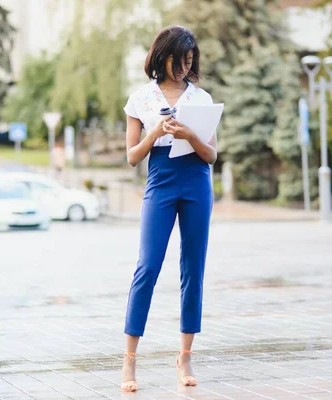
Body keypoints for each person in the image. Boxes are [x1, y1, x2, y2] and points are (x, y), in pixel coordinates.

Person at [120, 26, 218, 392]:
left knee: (193, 267)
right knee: (147, 267)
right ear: (163, 56)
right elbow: (132, 157)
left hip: (196, 181)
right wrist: (156, 133)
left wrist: (190, 135)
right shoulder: (140, 99)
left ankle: (185, 355)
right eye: (181, 59)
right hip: (160, 182)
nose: (185, 67)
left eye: (191, 61)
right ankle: (129, 361)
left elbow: (211, 154)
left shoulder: (202, 98)